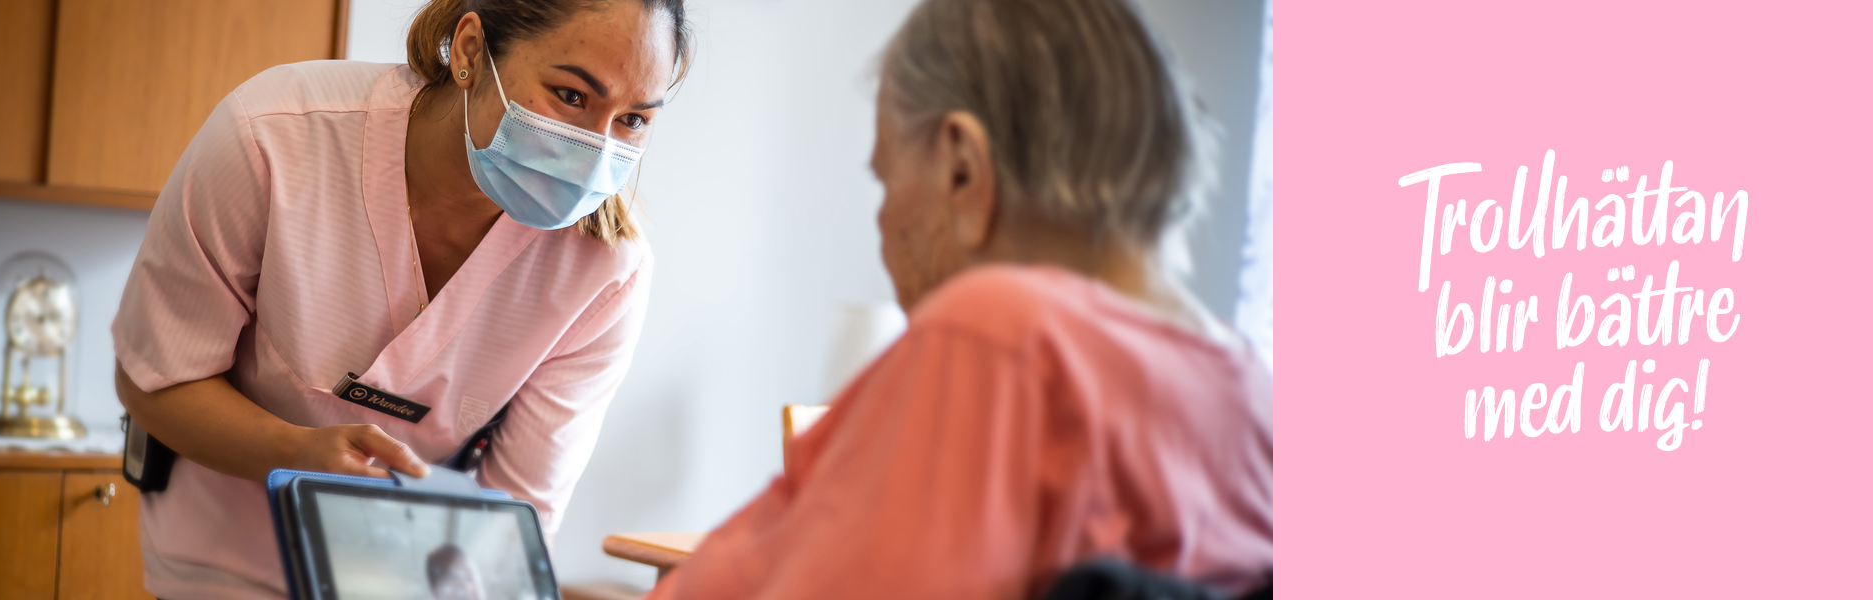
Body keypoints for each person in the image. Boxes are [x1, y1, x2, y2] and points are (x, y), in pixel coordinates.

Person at [644, 0, 1271, 597]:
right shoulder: (1252, 397)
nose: (885, 225)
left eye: (885, 180)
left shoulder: (999, 340)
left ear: (962, 168)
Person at [109, 0, 691, 597]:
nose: (594, 150)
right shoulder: (274, 136)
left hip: (409, 581)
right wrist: (295, 453)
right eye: (571, 95)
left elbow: (513, 517)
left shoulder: (605, 271)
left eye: (634, 121)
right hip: (221, 562)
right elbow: (155, 377)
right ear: (470, 51)